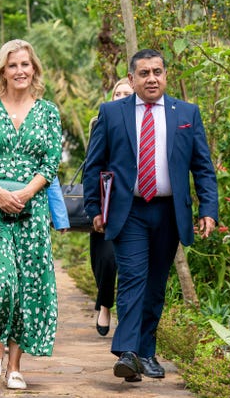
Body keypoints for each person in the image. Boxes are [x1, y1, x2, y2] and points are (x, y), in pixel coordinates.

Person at [83, 49, 218, 382]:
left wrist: (208, 210)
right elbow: (94, 164)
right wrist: (94, 208)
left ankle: (145, 352)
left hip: (170, 212)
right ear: (132, 79)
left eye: (157, 71)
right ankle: (127, 351)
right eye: (144, 73)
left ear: (166, 75)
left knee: (156, 285)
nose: (152, 78)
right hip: (128, 211)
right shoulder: (111, 113)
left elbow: (202, 167)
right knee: (132, 278)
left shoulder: (186, 113)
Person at [0, 39, 63, 390]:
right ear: (2, 72)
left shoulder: (48, 112)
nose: (20, 71)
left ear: (34, 69)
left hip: (31, 205)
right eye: (13, 66)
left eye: (26, 64)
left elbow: (50, 162)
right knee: (2, 278)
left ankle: (15, 366)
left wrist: (24, 193)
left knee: (27, 284)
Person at [0, 144, 70, 267]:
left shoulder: (34, 132)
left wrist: (60, 218)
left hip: (27, 214)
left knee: (25, 268)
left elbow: (49, 175)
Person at [88, 77, 133, 336]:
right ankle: (104, 303)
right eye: (118, 93)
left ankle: (125, 318)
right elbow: (92, 164)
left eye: (127, 92)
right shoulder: (101, 121)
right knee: (104, 260)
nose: (122, 97)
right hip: (108, 203)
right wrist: (94, 207)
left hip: (137, 205)